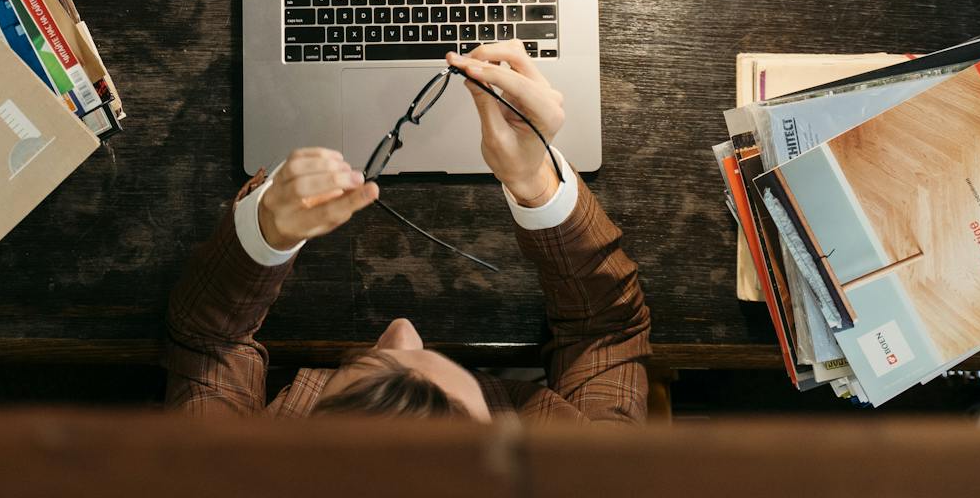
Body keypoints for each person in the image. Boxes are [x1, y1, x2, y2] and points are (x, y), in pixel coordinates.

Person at [165, 40, 651, 422]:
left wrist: (266, 233)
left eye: (368, 367)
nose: (402, 331)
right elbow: (604, 329)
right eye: (451, 378)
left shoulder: (218, 469)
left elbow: (211, 340)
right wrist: (536, 183)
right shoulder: (592, 469)